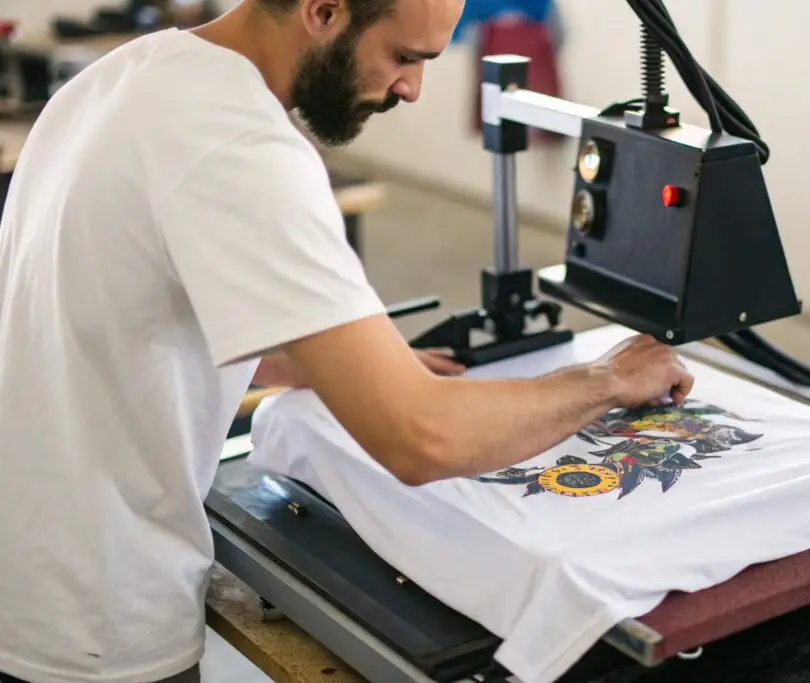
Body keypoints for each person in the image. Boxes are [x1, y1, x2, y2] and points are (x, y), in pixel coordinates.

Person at [0, 0, 694, 681]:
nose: (412, 89)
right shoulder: (243, 146)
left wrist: (351, 365)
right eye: (403, 56)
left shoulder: (122, 78)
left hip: (28, 564)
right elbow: (422, 438)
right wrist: (606, 379)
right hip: (97, 616)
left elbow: (143, 303)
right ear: (324, 11)